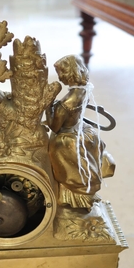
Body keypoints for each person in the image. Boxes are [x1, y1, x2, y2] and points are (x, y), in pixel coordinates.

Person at [46, 54, 110, 211]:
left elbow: (54, 126)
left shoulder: (68, 101)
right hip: (82, 131)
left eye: (61, 72)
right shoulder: (83, 90)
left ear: (70, 72)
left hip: (68, 138)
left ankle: (75, 197)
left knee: (54, 148)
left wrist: (48, 105)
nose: (60, 77)